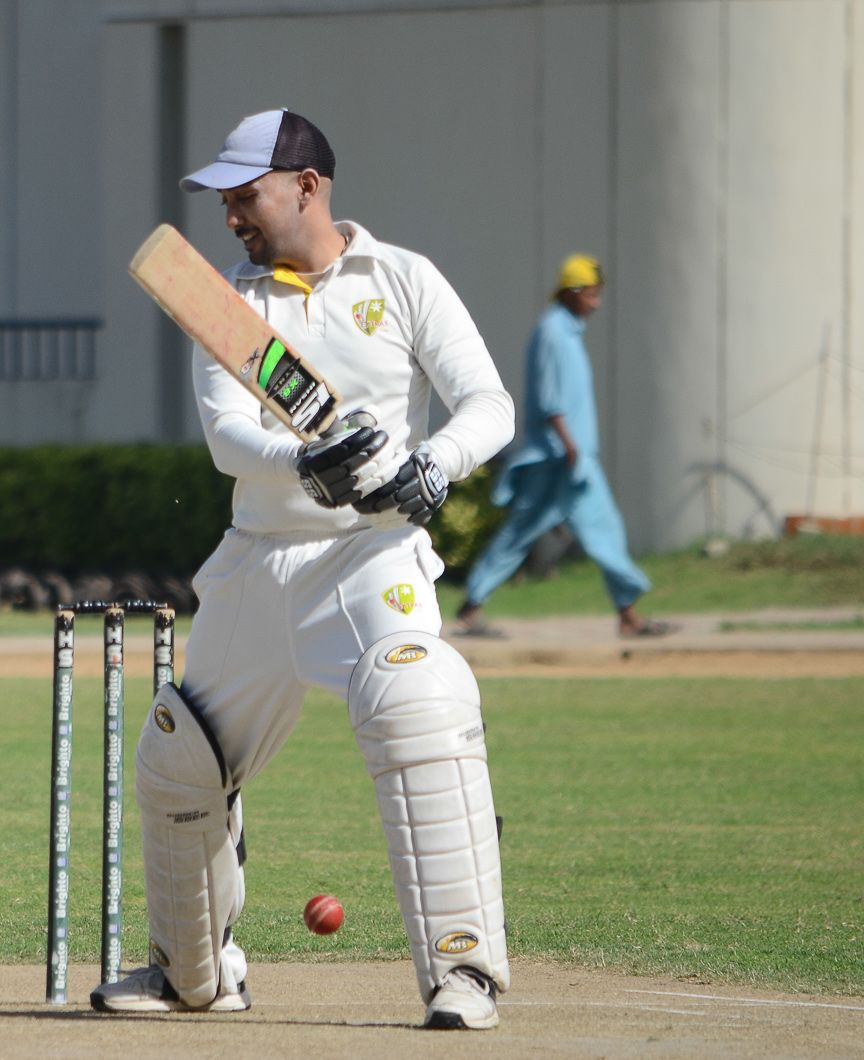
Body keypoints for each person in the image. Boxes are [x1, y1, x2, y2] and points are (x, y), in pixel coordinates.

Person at [90, 109, 514, 1029]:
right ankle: (193, 977)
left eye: (246, 196)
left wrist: (434, 465)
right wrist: (303, 462)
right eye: (225, 200)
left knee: (418, 704)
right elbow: (227, 438)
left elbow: (489, 404)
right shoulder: (229, 303)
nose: (230, 216)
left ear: (307, 188)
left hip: (371, 553)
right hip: (257, 561)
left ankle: (464, 973)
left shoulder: (403, 279)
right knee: (179, 756)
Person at [455, 255, 670, 638]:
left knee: (603, 529)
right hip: (559, 459)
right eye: (591, 294)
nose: (596, 303)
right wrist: (570, 446)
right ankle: (471, 608)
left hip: (574, 458)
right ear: (572, 293)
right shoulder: (553, 333)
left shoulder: (567, 332)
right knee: (527, 531)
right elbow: (551, 400)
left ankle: (628, 615)